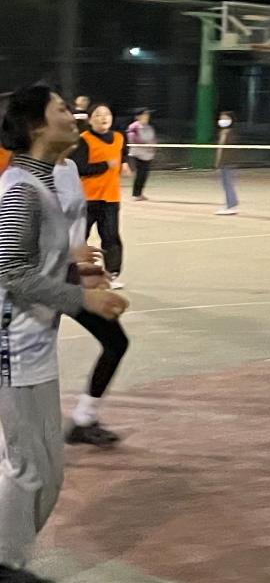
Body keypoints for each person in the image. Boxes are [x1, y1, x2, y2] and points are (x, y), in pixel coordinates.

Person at [0, 84, 129, 572]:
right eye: (60, 109)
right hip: (13, 347)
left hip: (34, 344)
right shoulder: (21, 188)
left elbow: (33, 256)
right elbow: (11, 271)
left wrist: (74, 262)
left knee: (46, 473)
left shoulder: (44, 183)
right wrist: (84, 297)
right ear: (36, 125)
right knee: (29, 471)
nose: (72, 116)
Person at [55, 144, 129, 447]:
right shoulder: (24, 176)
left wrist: (83, 268)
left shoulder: (70, 168)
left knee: (115, 341)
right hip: (41, 282)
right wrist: (69, 258)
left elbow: (72, 229)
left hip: (67, 275)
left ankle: (84, 418)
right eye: (64, 118)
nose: (74, 122)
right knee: (29, 362)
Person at [71, 104, 129, 289]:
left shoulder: (119, 137)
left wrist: (124, 163)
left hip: (111, 198)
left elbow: (122, 153)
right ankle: (74, 274)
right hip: (87, 199)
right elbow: (79, 168)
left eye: (107, 114)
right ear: (90, 119)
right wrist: (104, 165)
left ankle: (111, 274)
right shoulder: (84, 140)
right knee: (79, 238)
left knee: (111, 238)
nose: (103, 118)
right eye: (98, 115)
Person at [125, 109, 157, 201]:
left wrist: (153, 145)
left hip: (148, 154)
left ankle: (140, 193)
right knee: (140, 173)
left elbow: (153, 138)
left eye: (147, 115)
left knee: (144, 175)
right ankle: (135, 194)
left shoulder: (149, 127)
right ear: (138, 117)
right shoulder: (133, 127)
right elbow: (132, 139)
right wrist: (145, 144)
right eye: (144, 115)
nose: (146, 117)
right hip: (137, 154)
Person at [214, 111, 239, 215]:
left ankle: (231, 206)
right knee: (226, 184)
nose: (222, 120)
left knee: (228, 184)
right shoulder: (223, 132)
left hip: (229, 162)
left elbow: (225, 149)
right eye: (221, 118)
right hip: (224, 162)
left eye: (225, 118)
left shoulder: (231, 133)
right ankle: (231, 204)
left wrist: (220, 161)